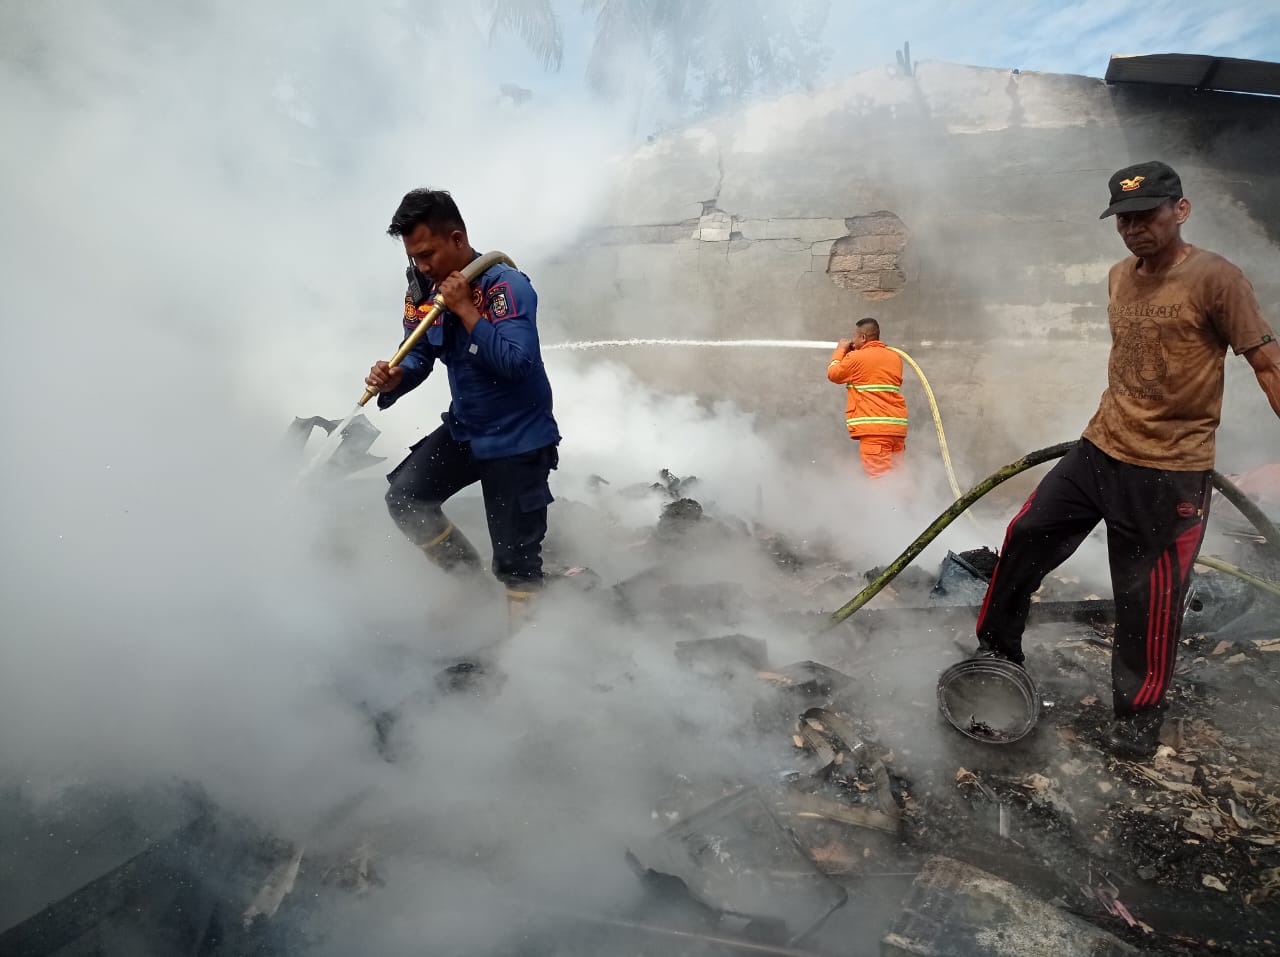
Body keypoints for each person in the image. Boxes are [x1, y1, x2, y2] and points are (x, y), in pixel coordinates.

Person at [974, 161, 1280, 760]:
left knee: (1147, 600)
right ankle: (998, 652)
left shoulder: (1218, 278)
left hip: (1169, 469)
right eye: (1123, 219)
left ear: (1181, 211)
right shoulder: (1118, 276)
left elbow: (1266, 364)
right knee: (1026, 534)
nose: (1134, 229)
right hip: (1099, 449)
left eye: (1147, 215)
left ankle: (1137, 720)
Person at [365, 189, 560, 638]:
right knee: (406, 499)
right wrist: (396, 377)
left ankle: (530, 655)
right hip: (467, 429)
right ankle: (467, 582)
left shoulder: (506, 287)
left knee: (517, 563)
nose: (424, 267)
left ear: (457, 239)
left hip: (518, 439)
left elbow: (516, 362)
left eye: (429, 254)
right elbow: (417, 354)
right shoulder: (421, 290)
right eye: (415, 258)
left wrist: (465, 309)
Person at [827, 318, 909, 477]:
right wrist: (854, 352)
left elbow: (833, 374)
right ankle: (905, 502)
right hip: (896, 432)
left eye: (855, 337)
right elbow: (868, 368)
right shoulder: (894, 357)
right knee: (898, 479)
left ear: (863, 337)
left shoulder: (856, 358)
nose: (853, 340)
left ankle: (884, 503)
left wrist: (841, 350)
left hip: (875, 433)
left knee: (879, 481)